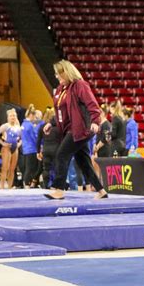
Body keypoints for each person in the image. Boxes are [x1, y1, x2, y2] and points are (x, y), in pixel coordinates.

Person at [43, 59, 108, 200]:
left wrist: (96, 121)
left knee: (62, 154)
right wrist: (52, 123)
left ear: (66, 72)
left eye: (58, 74)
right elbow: (62, 112)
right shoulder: (61, 89)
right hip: (70, 130)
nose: (56, 77)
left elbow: (93, 105)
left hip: (81, 129)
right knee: (83, 161)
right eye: (55, 74)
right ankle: (101, 191)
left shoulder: (80, 85)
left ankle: (59, 190)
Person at [0, 108, 21, 189]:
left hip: (15, 148)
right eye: (11, 116)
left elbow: (22, 137)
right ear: (8, 117)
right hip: (6, 148)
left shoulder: (18, 126)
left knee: (12, 169)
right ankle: (2, 187)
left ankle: (9, 187)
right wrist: (2, 143)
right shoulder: (5, 126)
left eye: (14, 116)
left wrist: (19, 144)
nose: (13, 117)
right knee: (5, 168)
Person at [36, 107, 60, 189]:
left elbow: (38, 140)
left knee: (46, 168)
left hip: (46, 149)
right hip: (56, 149)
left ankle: (46, 185)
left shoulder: (42, 126)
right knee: (57, 168)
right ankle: (56, 185)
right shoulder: (57, 127)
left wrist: (38, 152)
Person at [20, 104, 39, 188]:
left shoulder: (23, 124)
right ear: (31, 115)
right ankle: (27, 183)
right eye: (34, 117)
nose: (35, 119)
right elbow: (34, 137)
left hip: (25, 148)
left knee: (27, 167)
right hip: (32, 149)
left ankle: (27, 182)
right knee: (31, 167)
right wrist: (39, 145)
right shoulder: (30, 125)